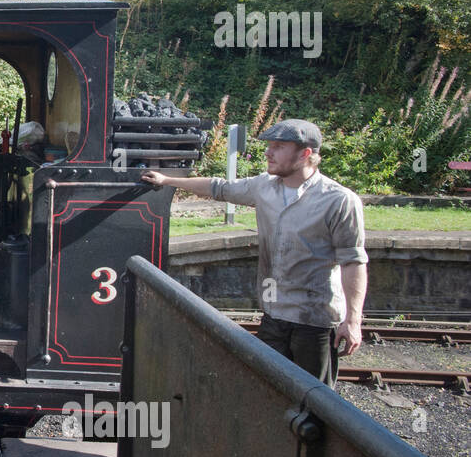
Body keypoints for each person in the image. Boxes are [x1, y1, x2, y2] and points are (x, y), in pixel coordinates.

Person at [141, 119, 368, 385]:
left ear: (305, 153)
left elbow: (353, 262)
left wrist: (352, 320)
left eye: (279, 147)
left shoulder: (339, 201)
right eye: (269, 145)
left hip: (315, 321)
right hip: (274, 315)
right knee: (269, 390)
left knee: (316, 401)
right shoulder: (264, 187)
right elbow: (219, 188)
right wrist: (168, 180)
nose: (268, 153)